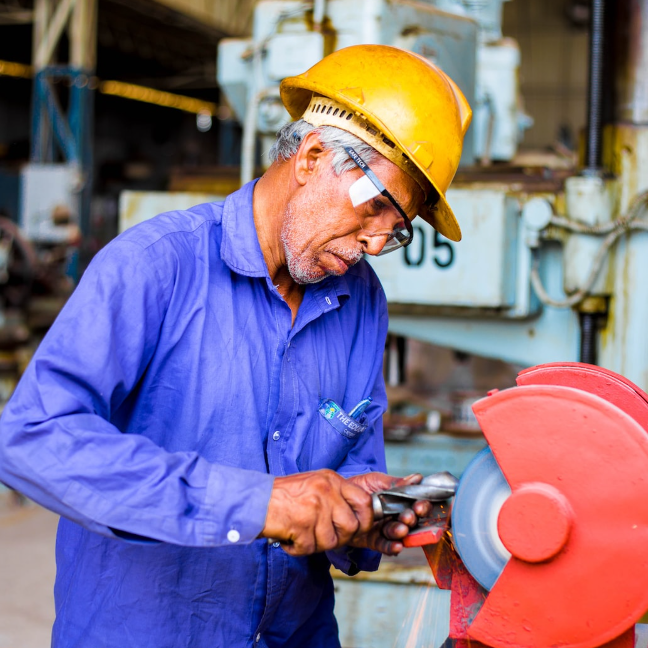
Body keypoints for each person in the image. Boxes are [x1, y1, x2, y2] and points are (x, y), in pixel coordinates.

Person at [0, 44, 471, 647]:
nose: (377, 244)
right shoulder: (156, 266)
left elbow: (352, 462)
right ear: (314, 156)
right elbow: (32, 438)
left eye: (397, 227)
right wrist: (257, 502)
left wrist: (364, 512)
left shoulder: (360, 301)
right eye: (376, 207)